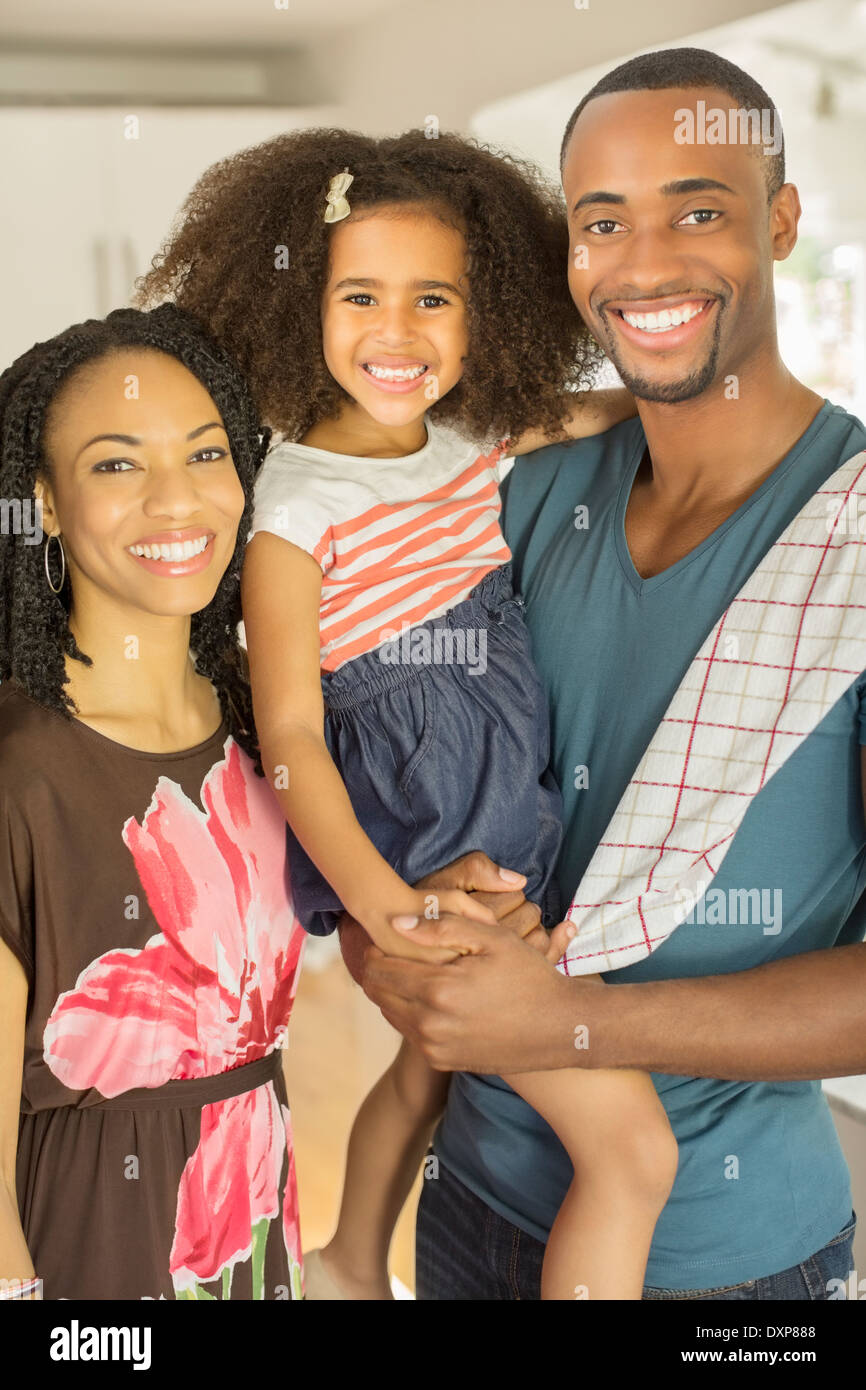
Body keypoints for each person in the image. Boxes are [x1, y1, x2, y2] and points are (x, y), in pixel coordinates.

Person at [340, 48, 866, 1301]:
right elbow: (382, 764)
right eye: (600, 223)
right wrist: (407, 938)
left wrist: (570, 1024)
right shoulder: (518, 490)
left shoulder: (846, 539)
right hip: (464, 1206)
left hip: (726, 1267)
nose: (641, 266)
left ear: (780, 221)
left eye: (697, 210)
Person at [135, 128, 678, 1300]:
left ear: (483, 311)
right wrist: (392, 908)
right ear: (299, 308)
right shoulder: (292, 507)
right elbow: (290, 739)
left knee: (427, 1079)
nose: (397, 332)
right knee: (634, 1151)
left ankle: (343, 1254)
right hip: (422, 847)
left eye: (433, 298)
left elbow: (583, 417)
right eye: (360, 296)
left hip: (507, 822)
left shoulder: (462, 443)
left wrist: (691, 392)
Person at [0, 304, 305, 1301]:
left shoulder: (269, 720)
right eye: (118, 464)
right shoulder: (17, 770)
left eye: (206, 454)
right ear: (43, 502)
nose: (178, 503)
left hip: (256, 1211)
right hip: (82, 1251)